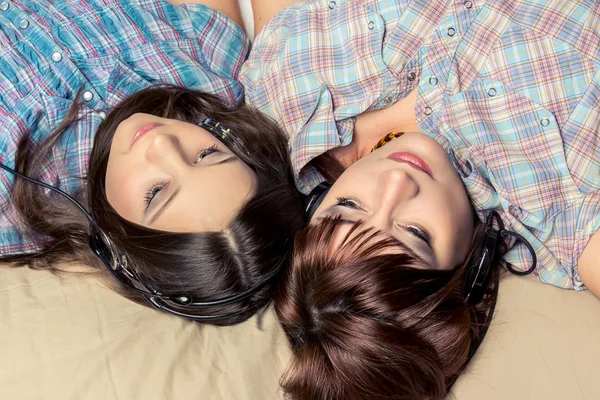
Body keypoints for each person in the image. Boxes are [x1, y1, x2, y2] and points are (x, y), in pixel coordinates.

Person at [241, 0, 599, 397]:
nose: (396, 181)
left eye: (347, 209)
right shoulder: (557, 208)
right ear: (469, 274)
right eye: (415, 232)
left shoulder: (284, 96)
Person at [0, 0, 305, 325]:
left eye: (156, 192)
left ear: (115, 243)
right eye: (207, 154)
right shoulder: (213, 71)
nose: (162, 143)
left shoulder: (11, 206)